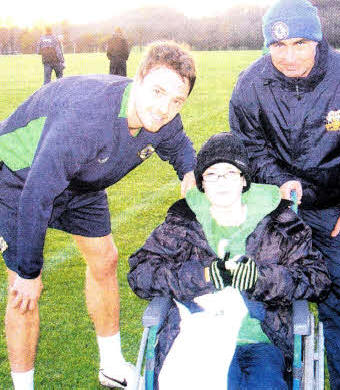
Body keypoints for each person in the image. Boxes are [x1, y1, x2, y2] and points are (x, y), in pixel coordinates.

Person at [0, 40, 197, 389]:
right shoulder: (87, 120)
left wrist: (189, 171)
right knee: (24, 288)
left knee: (105, 259)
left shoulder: (164, 118)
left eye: (176, 100)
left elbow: (178, 144)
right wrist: (29, 273)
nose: (164, 107)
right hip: (18, 177)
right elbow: (36, 196)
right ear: (137, 79)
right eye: (157, 91)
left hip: (82, 182)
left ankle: (111, 365)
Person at [128, 132, 330, 390]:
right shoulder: (183, 222)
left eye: (231, 173)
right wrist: (202, 276)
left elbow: (317, 278)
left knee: (265, 384)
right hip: (200, 337)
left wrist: (261, 278)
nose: (221, 181)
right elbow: (141, 273)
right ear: (201, 182)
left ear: (244, 179)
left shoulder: (279, 223)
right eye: (212, 174)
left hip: (263, 340)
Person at [229, 0, 340, 388]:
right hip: (276, 209)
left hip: (335, 210)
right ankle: (279, 377)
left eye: (300, 43)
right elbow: (249, 146)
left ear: (318, 40)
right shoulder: (250, 84)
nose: (289, 56)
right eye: (278, 46)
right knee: (268, 295)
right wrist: (278, 180)